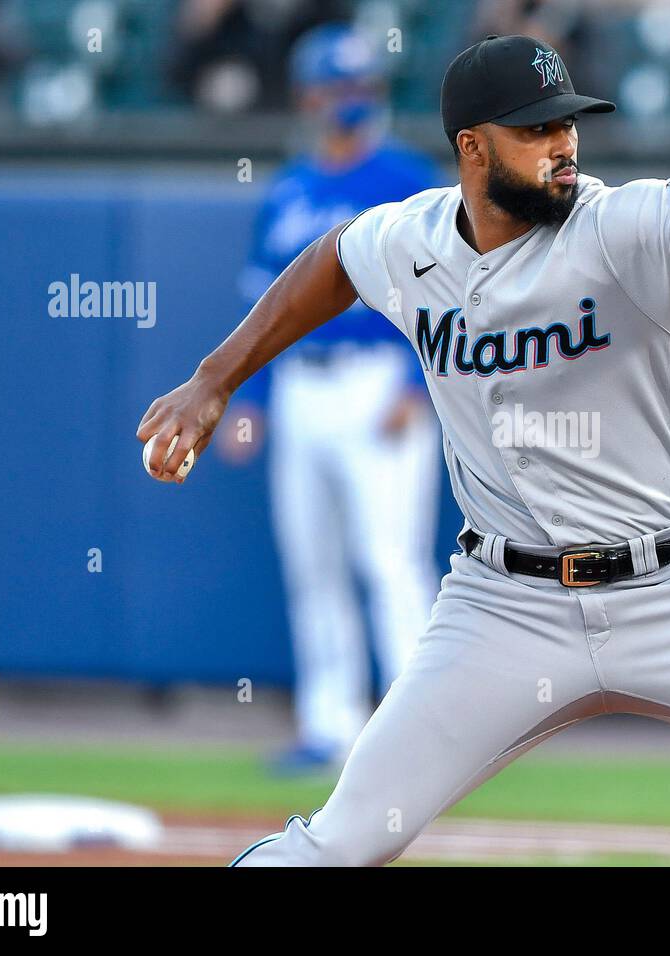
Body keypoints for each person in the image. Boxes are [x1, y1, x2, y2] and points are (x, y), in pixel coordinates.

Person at [139, 34, 670, 866]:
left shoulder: (629, 230)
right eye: (537, 128)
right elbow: (333, 259)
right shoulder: (410, 243)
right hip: (500, 611)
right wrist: (214, 378)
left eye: (568, 122)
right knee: (344, 841)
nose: (563, 145)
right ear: (473, 148)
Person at [217, 23, 441, 775]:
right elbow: (264, 309)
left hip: (377, 383)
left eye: (361, 85)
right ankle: (329, 725)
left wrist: (419, 383)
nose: (350, 99)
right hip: (302, 388)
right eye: (337, 85)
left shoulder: (406, 175)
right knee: (313, 565)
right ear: (311, 94)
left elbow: (447, 294)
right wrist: (246, 397)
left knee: (391, 563)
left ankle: (418, 735)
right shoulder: (289, 188)